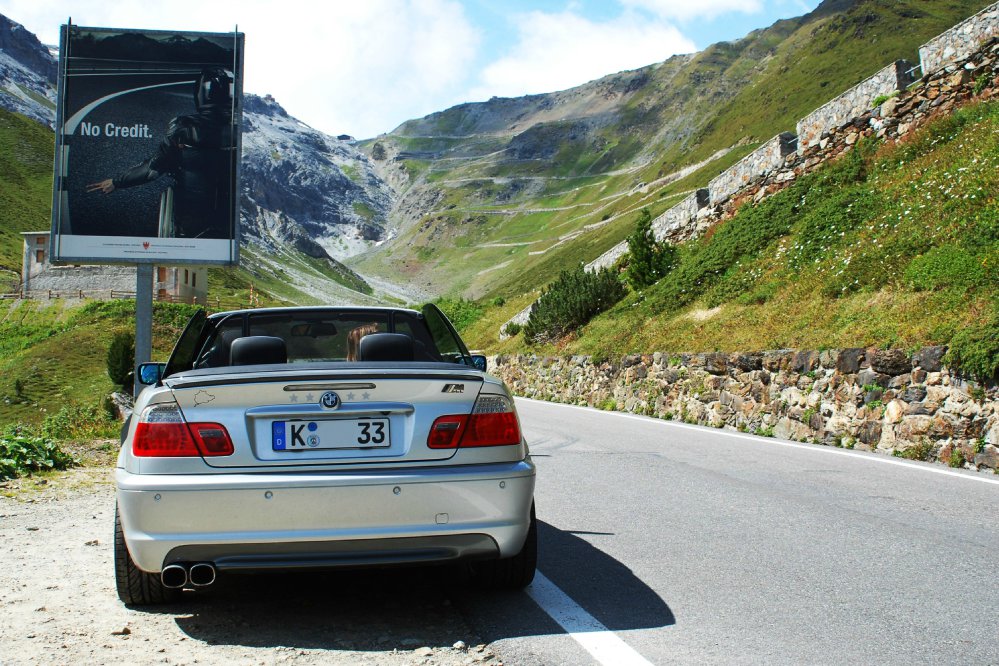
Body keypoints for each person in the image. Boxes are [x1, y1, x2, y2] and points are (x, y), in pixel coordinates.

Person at [86, 67, 237, 239]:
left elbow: (153, 169)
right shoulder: (242, 132)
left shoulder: (184, 127)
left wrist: (117, 182)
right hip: (228, 229)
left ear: (202, 93)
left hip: (189, 226)